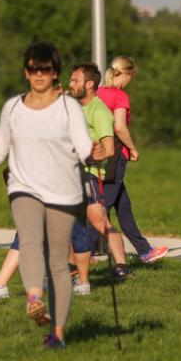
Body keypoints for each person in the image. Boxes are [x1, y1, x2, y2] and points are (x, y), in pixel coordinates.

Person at [0, 42, 92, 349]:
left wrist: (92, 155)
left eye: (45, 69)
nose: (39, 74)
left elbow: (83, 145)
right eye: (33, 69)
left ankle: (56, 333)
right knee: (29, 239)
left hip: (62, 189)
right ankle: (34, 297)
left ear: (55, 72)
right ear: (25, 72)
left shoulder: (69, 107)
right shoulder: (13, 108)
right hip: (24, 187)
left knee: (57, 260)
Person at [97, 55, 169, 265]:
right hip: (116, 155)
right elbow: (120, 127)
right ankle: (81, 254)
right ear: (126, 74)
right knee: (101, 209)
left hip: (100, 154)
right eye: (131, 76)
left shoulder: (99, 93)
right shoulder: (120, 96)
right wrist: (133, 147)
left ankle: (145, 251)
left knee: (123, 208)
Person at [67, 62, 128, 291]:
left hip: (89, 175)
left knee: (99, 221)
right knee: (70, 223)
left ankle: (121, 265)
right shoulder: (74, 107)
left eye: (75, 80)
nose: (70, 84)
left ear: (90, 84)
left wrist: (92, 153)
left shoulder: (99, 110)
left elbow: (110, 148)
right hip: (71, 173)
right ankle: (72, 269)